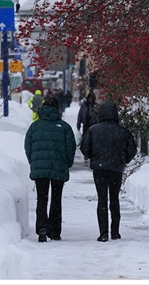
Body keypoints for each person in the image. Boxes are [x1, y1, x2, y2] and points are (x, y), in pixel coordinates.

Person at [80, 100, 138, 242]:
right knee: (114, 198)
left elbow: (84, 148)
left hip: (99, 169)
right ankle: (115, 231)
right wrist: (123, 160)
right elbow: (132, 150)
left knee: (102, 199)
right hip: (116, 169)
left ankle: (103, 232)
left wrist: (93, 157)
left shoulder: (93, 130)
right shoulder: (123, 131)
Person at [23, 96, 76, 242]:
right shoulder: (64, 127)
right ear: (57, 109)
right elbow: (71, 149)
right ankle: (55, 230)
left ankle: (42, 228)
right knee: (56, 199)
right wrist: (67, 163)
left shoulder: (35, 126)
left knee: (42, 199)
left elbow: (28, 146)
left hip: (40, 168)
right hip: (59, 168)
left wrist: (34, 162)